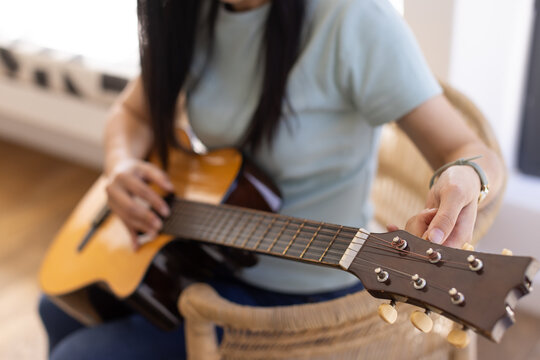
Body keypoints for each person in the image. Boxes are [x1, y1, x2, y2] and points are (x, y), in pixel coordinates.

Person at [39, 0, 504, 358]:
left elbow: (465, 149)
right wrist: (120, 165)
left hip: (302, 296)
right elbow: (133, 112)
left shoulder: (353, 18)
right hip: (209, 255)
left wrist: (468, 175)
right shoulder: (191, 11)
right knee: (56, 306)